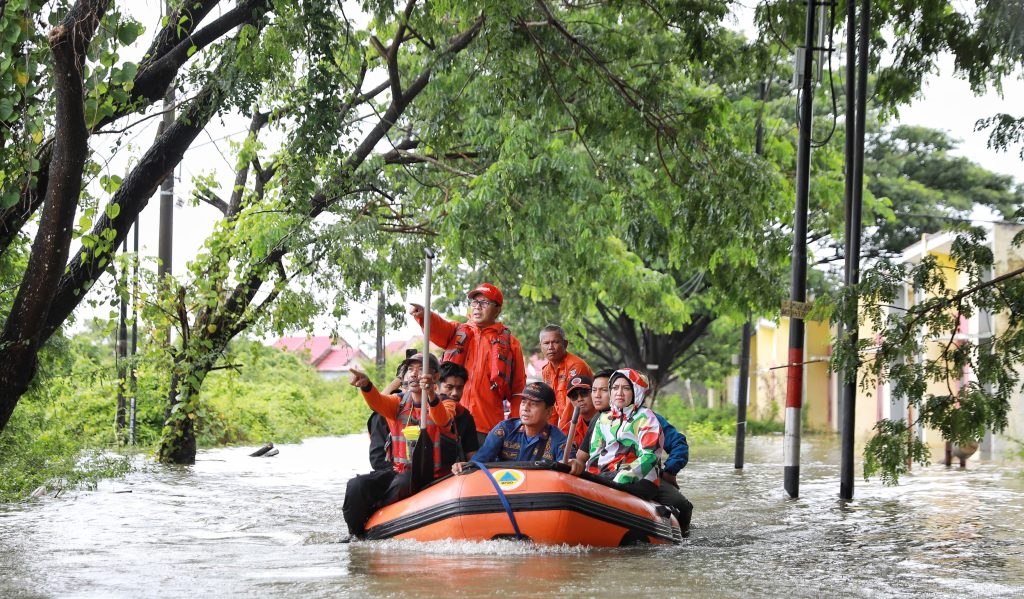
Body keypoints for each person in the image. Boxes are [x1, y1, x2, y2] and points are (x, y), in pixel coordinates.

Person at [342, 353, 454, 541]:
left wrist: (432, 395)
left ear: (434, 377)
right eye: (410, 369)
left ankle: (379, 510)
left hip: (430, 477)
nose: (414, 374)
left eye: (420, 370)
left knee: (404, 481)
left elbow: (442, 419)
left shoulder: (446, 403)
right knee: (356, 485)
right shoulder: (397, 403)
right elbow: (377, 401)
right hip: (399, 471)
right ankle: (355, 534)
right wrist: (367, 386)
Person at [409, 283, 526, 445]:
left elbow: (518, 388)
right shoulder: (456, 331)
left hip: (488, 427)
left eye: (484, 303)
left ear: (498, 309)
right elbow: (438, 327)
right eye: (474, 303)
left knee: (481, 468)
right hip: (450, 420)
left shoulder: (511, 344)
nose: (477, 307)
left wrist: (515, 425)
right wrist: (424, 315)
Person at [569, 368, 662, 500]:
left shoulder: (646, 418)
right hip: (606, 476)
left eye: (626, 388)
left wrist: (621, 478)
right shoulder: (603, 419)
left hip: (641, 479)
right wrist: (591, 480)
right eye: (615, 388)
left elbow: (650, 455)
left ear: (636, 391)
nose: (619, 393)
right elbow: (595, 456)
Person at [451, 381, 568, 473]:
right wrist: (465, 466)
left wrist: (574, 464)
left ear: (548, 412)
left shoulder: (558, 439)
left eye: (533, 404)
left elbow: (568, 465)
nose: (525, 408)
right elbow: (480, 460)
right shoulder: (505, 429)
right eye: (523, 402)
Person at [539, 324, 593, 424]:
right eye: (546, 343)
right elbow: (551, 405)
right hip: (567, 425)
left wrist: (561, 433)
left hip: (584, 423)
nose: (550, 347)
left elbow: (572, 405)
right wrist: (550, 432)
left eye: (555, 342)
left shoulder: (576, 366)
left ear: (565, 344)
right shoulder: (546, 371)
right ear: (541, 346)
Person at [437, 361, 480, 464]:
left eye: (459, 388)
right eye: (449, 387)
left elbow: (472, 455)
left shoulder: (466, 416)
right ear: (436, 386)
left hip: (453, 475)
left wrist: (468, 466)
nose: (455, 393)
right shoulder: (423, 411)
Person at [557, 375, 596, 449]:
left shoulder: (608, 421)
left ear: (594, 393)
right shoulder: (570, 427)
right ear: (571, 401)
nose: (579, 399)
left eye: (584, 393)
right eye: (574, 396)